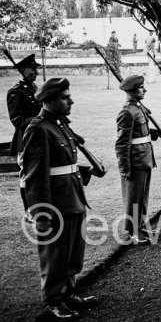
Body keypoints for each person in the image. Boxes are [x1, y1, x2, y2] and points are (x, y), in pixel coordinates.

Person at [22, 78, 99, 320]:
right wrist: (41, 213)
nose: (71, 101)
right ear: (50, 100)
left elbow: (64, 165)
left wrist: (85, 171)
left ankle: (68, 292)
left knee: (74, 253)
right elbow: (34, 176)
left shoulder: (60, 125)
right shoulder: (38, 129)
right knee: (55, 255)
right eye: (66, 98)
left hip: (73, 197)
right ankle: (54, 300)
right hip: (55, 205)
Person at [115, 75, 157, 245]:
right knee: (134, 197)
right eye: (141, 88)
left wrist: (153, 133)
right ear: (132, 91)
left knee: (142, 197)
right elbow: (122, 144)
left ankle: (140, 225)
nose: (144, 90)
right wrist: (124, 168)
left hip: (145, 157)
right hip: (135, 161)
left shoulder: (138, 108)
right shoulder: (127, 112)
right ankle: (133, 232)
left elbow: (141, 133)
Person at [6, 54, 41, 223]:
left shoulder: (35, 88)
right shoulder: (15, 92)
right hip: (25, 140)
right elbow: (17, 120)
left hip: (39, 139)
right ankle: (29, 211)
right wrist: (39, 120)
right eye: (33, 69)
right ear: (23, 70)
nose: (36, 72)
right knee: (27, 177)